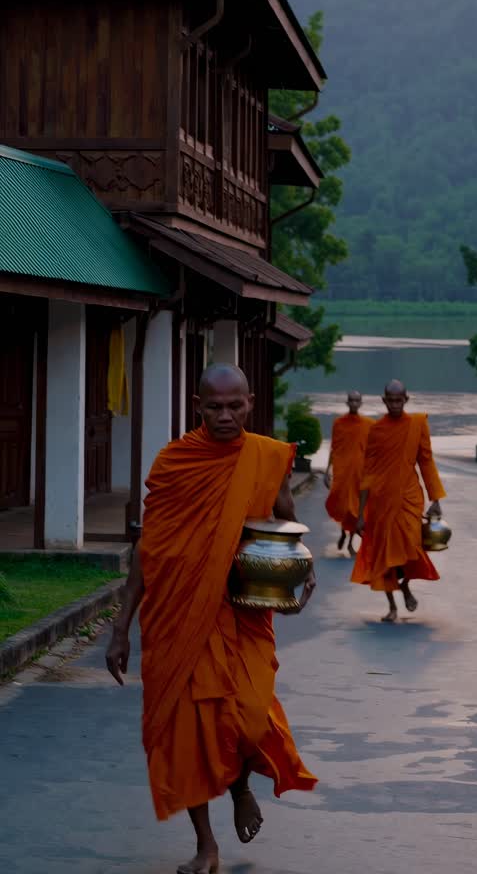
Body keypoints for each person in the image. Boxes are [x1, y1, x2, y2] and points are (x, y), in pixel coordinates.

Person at [105, 364, 317, 874]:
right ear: (197, 406)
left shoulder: (267, 458)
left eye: (235, 405)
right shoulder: (176, 464)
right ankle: (206, 844)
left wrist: (300, 572)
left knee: (248, 717)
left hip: (241, 614)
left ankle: (241, 786)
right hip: (177, 617)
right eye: (214, 406)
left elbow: (285, 524)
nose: (225, 415)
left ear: (250, 404)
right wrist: (120, 626)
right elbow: (149, 549)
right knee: (188, 731)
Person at [351, 379, 446, 622]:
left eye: (398, 400)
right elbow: (368, 473)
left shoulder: (417, 425)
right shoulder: (376, 430)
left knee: (411, 547)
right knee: (384, 554)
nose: (394, 404)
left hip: (409, 498)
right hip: (381, 501)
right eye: (390, 400)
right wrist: (361, 514)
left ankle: (405, 585)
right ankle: (392, 605)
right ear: (384, 401)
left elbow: (426, 460)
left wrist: (435, 497)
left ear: (406, 400)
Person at [324, 390, 372, 555]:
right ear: (347, 403)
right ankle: (343, 533)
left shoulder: (368, 424)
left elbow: (373, 450)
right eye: (351, 400)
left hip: (359, 472)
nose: (353, 403)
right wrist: (326, 471)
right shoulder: (339, 423)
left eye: (356, 400)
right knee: (341, 506)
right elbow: (334, 447)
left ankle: (351, 542)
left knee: (355, 510)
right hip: (342, 471)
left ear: (360, 403)